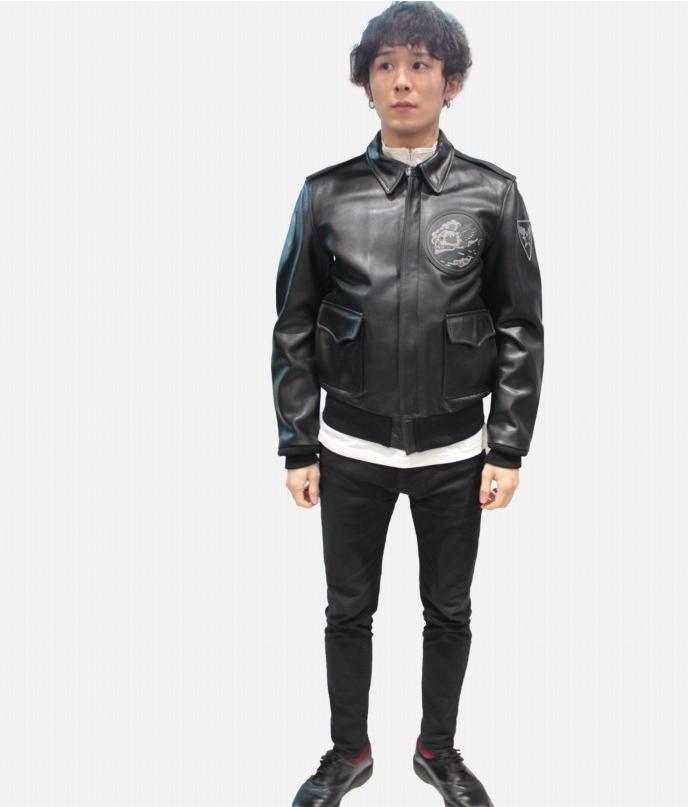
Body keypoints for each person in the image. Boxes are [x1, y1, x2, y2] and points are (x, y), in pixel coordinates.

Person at [271, 3, 544, 804]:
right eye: (386, 64)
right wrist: (297, 441)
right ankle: (347, 751)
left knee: (448, 611)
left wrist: (507, 445)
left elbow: (520, 325)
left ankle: (438, 749)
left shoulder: (492, 193)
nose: (401, 80)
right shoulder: (325, 194)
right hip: (349, 448)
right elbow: (293, 322)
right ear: (364, 81)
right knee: (346, 610)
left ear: (449, 82)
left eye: (421, 65)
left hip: (455, 451)